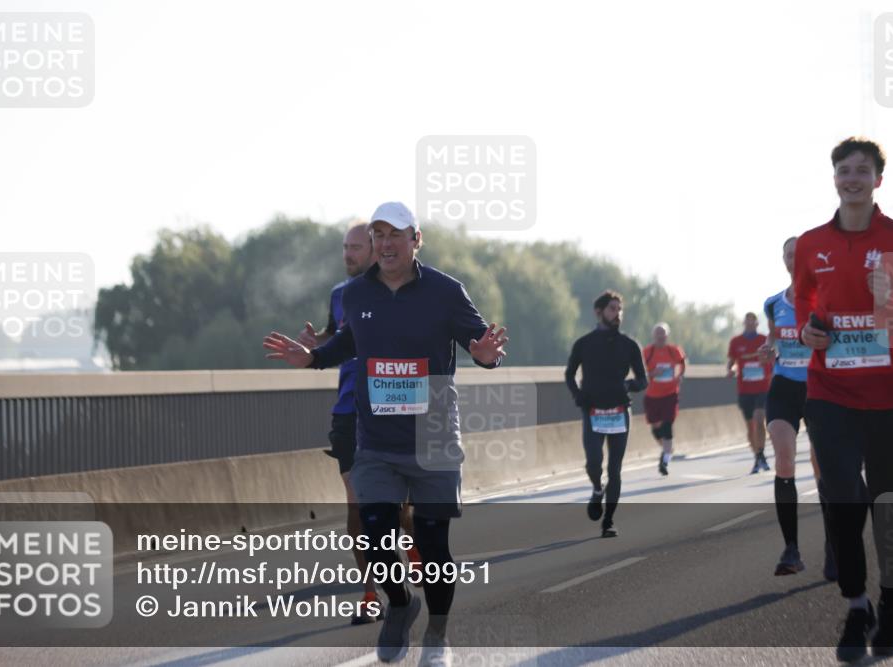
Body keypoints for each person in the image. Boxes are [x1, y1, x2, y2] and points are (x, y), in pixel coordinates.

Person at [265, 201, 508, 665]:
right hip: (375, 437)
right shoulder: (356, 295)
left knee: (434, 548)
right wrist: (313, 357)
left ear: (416, 239)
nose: (386, 242)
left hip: (433, 433)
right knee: (373, 537)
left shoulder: (445, 291)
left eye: (395, 234)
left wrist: (485, 354)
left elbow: (481, 343)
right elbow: (347, 343)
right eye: (378, 234)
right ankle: (400, 603)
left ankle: (437, 637)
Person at [796, 137, 893, 661]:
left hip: (890, 394)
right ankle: (857, 606)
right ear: (834, 178)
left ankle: (892, 606)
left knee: (889, 503)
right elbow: (809, 311)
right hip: (830, 392)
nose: (851, 178)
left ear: (879, 179)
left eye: (862, 170)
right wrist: (812, 334)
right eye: (843, 170)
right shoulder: (812, 245)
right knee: (840, 498)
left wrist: (890, 298)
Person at [296, 220, 421, 625]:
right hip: (350, 411)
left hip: (394, 405)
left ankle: (412, 542)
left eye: (355, 247)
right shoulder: (341, 295)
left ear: (375, 249)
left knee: (400, 506)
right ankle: (371, 594)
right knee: (360, 503)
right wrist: (318, 344)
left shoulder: (405, 290)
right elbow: (336, 338)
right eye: (344, 247)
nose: (347, 255)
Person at [759, 236, 834, 580]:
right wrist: (768, 348)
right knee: (784, 457)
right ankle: (791, 549)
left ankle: (835, 545)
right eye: (788, 255)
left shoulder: (824, 299)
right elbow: (774, 338)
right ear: (784, 260)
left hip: (819, 386)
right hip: (784, 386)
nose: (793, 259)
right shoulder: (773, 303)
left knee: (823, 468)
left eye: (798, 254)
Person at [565, 290, 648, 537]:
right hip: (593, 411)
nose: (617, 314)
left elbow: (643, 380)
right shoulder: (584, 344)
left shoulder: (630, 345)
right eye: (612, 309)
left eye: (619, 309)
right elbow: (569, 374)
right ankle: (596, 489)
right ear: (599, 312)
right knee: (593, 463)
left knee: (615, 469)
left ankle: (608, 521)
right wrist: (577, 395)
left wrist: (629, 385)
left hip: (620, 412)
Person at [727, 312, 773, 474]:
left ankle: (760, 453)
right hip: (745, 389)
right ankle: (757, 457)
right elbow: (732, 363)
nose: (750, 325)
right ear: (744, 323)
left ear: (756, 324)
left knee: (759, 420)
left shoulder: (764, 340)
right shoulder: (736, 342)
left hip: (762, 388)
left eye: (752, 323)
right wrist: (731, 370)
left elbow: (773, 358)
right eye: (747, 322)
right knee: (750, 426)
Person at [642, 323, 686, 476]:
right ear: (653, 336)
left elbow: (682, 363)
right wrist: (653, 373)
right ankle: (667, 449)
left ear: (667, 335)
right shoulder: (647, 352)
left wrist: (680, 375)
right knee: (656, 429)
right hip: (652, 396)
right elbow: (641, 374)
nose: (660, 336)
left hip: (670, 394)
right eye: (657, 334)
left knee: (667, 426)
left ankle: (665, 460)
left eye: (663, 333)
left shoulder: (674, 350)